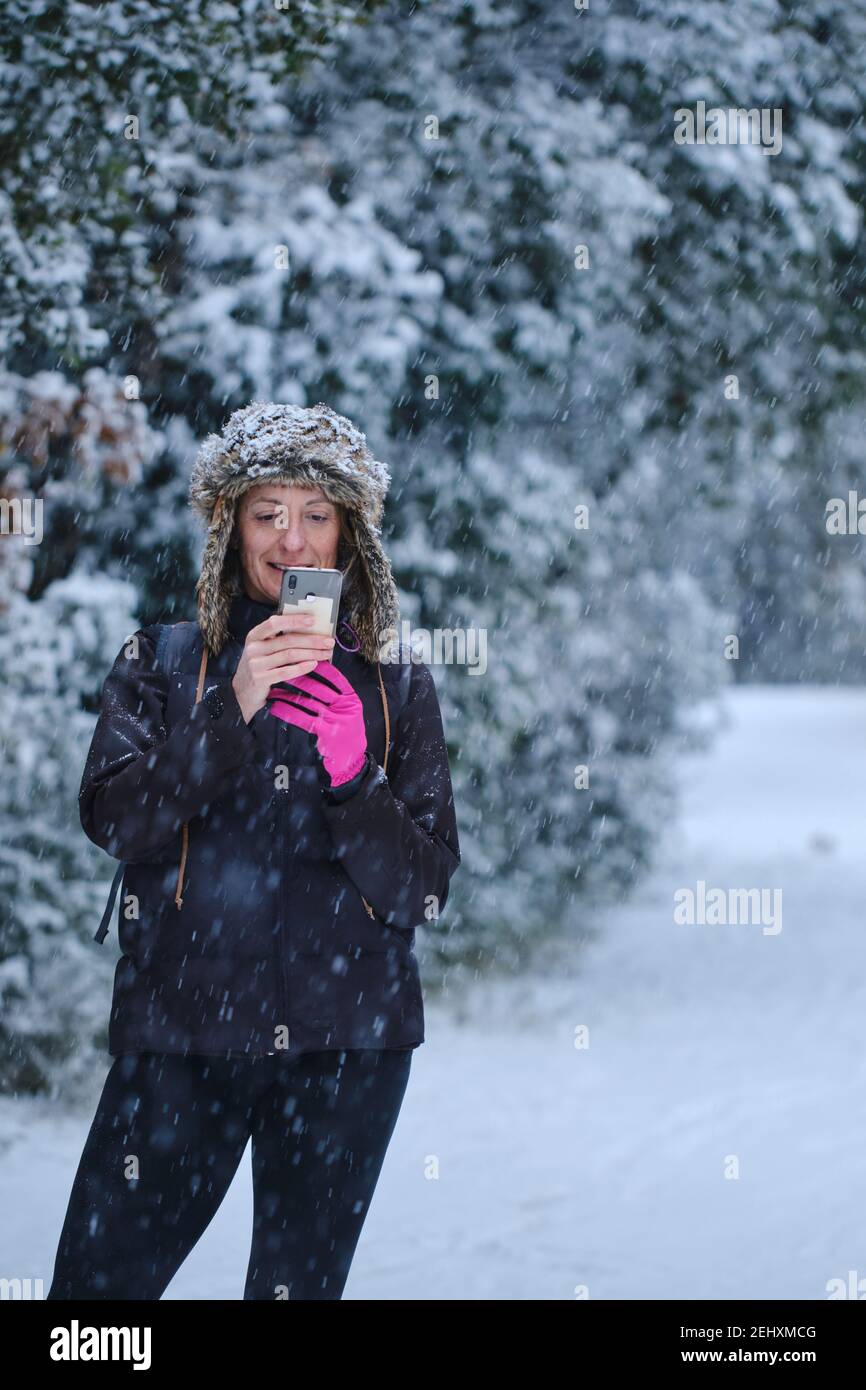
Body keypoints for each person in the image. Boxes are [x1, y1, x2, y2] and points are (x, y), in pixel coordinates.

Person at [46, 401, 461, 1300]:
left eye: (316, 513)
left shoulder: (397, 688)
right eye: (267, 512)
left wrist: (357, 778)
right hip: (180, 1037)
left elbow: (424, 890)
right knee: (94, 1298)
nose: (291, 540)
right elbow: (116, 820)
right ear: (229, 525)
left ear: (349, 533)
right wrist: (229, 707)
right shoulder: (160, 663)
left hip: (347, 1048)